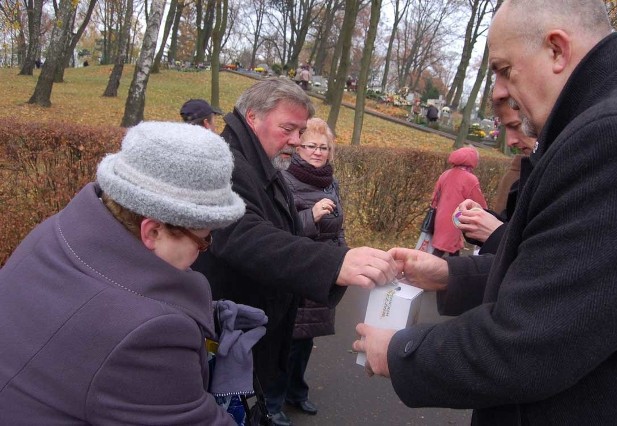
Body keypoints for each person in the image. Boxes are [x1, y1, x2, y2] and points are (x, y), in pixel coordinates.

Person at [354, 0, 617, 423]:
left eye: (504, 69)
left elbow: (532, 342)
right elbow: (561, 274)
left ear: (557, 50)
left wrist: (400, 352)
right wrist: (448, 275)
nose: (498, 92)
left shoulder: (615, 136)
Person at [0, 122, 262, 424]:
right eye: (203, 240)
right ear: (152, 231)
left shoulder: (55, 232)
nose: (204, 249)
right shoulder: (149, 334)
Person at [191, 79, 397, 426]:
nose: (296, 141)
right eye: (289, 128)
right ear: (252, 116)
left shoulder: (258, 161)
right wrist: (335, 263)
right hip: (228, 331)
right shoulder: (226, 162)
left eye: (300, 131)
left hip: (246, 330)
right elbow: (241, 234)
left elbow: (277, 229)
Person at [262, 118, 346, 423]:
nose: (318, 152)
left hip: (322, 269)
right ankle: (272, 402)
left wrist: (341, 259)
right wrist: (310, 216)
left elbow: (339, 228)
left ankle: (297, 391)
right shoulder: (284, 180)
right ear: (299, 148)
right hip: (297, 270)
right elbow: (278, 232)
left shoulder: (330, 181)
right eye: (311, 145)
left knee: (307, 338)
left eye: (324, 147)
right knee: (288, 339)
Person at [456, 97, 538, 254]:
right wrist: (482, 219)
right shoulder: (526, 172)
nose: (509, 141)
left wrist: (494, 231)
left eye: (516, 126)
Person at [429, 146, 487, 257]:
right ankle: (425, 270)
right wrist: (486, 213)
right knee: (442, 249)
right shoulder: (470, 179)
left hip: (441, 216)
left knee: (450, 247)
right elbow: (479, 201)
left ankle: (453, 271)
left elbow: (434, 197)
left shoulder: (445, 174)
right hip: (456, 217)